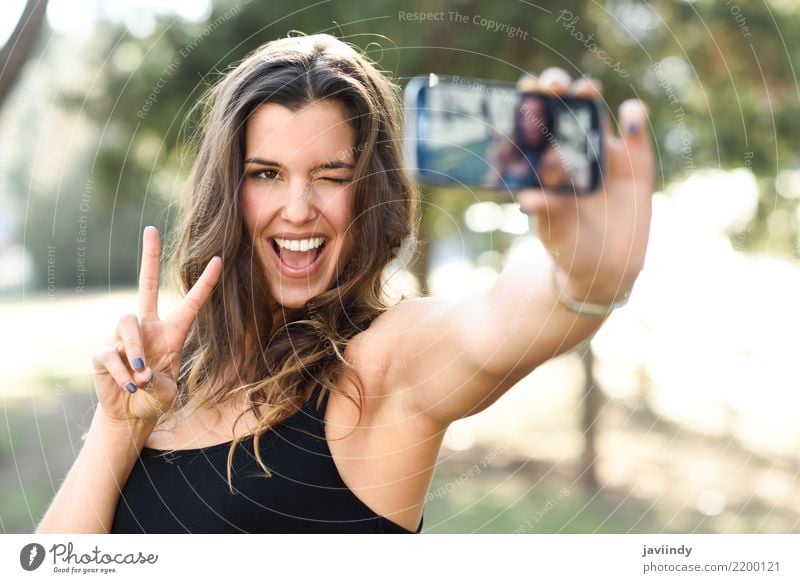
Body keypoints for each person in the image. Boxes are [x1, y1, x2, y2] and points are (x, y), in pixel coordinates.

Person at [35, 33, 653, 534]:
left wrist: (583, 273)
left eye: (331, 175)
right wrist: (119, 426)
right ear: (228, 189)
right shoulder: (174, 373)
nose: (299, 209)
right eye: (267, 173)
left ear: (368, 191)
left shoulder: (380, 364)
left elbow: (495, 323)